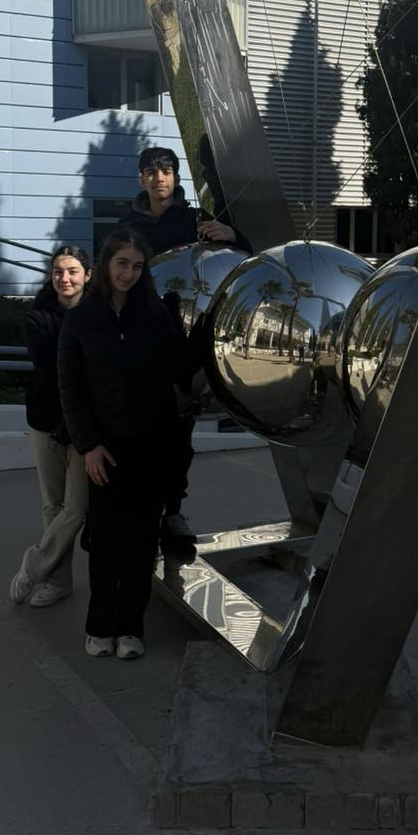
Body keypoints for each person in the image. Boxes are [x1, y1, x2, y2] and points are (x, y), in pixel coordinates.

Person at [57, 226, 190, 660]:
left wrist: (185, 327)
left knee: (141, 543)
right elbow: (71, 388)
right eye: (121, 263)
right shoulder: (81, 318)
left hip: (150, 447)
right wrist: (88, 445)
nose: (128, 273)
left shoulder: (154, 314)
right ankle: (99, 625)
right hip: (105, 450)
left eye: (136, 266)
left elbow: (178, 370)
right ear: (105, 264)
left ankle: (131, 627)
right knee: (105, 544)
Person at [125, 145, 251, 545]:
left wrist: (233, 235)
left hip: (183, 347)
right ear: (141, 178)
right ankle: (139, 514)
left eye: (166, 170)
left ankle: (173, 513)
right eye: (151, 171)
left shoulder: (196, 219)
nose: (159, 177)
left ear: (176, 177)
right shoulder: (127, 225)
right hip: (140, 345)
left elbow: (241, 261)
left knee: (179, 439)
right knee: (138, 436)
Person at [10, 245, 93, 609]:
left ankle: (35, 565)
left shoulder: (100, 314)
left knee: (76, 507)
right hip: (46, 421)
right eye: (59, 271)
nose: (65, 278)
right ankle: (58, 582)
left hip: (86, 427)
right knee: (52, 505)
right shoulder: (39, 318)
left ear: (88, 275)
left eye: (73, 271)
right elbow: (58, 370)